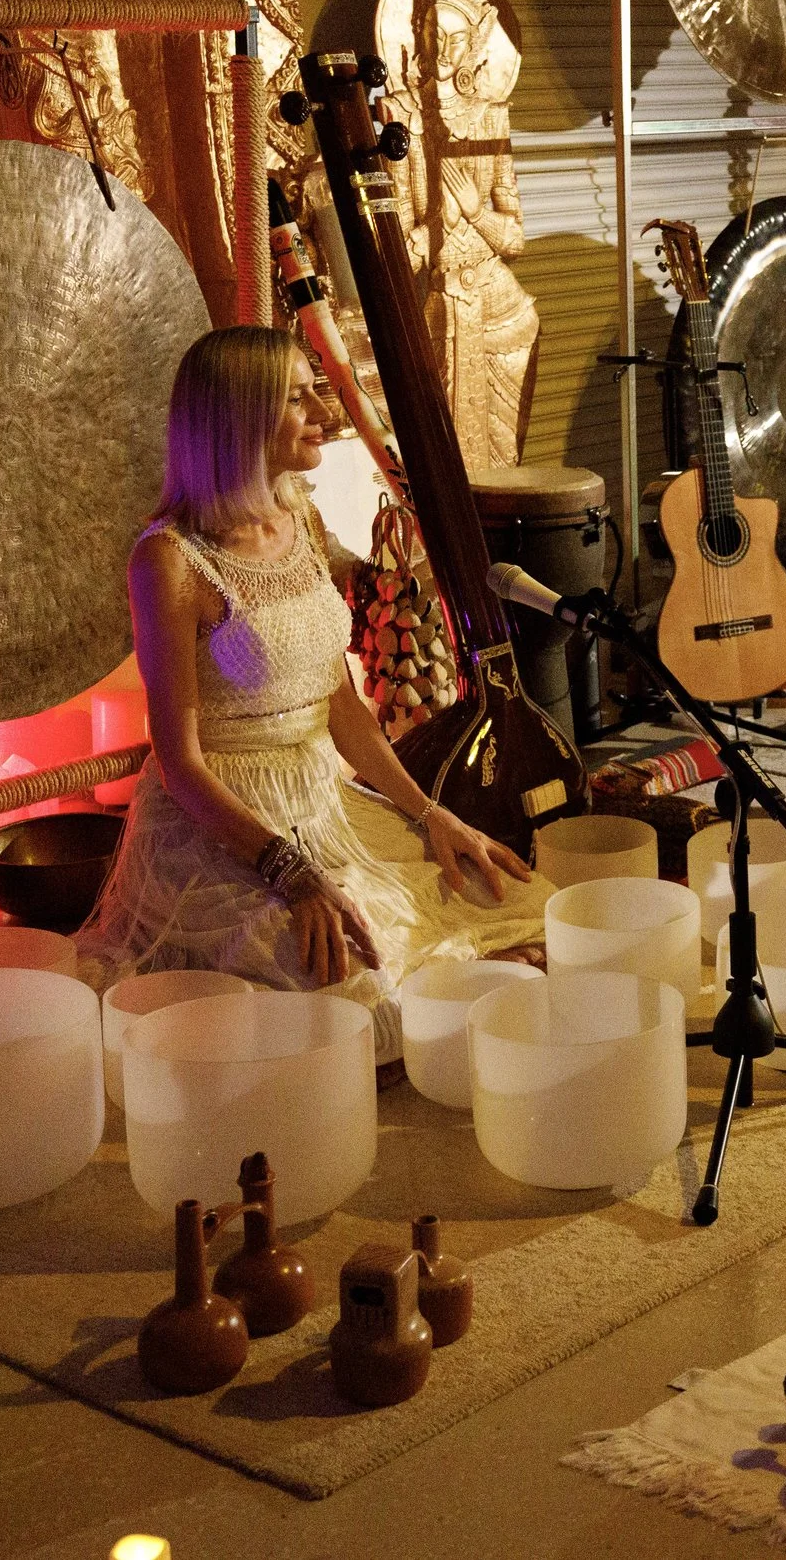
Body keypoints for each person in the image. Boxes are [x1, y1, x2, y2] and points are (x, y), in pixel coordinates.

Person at [77, 325, 546, 1067]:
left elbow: (340, 706)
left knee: (511, 901)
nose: (323, 409)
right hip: (222, 827)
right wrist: (290, 875)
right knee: (354, 1008)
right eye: (298, 398)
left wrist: (430, 815)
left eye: (315, 390)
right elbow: (179, 763)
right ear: (240, 418)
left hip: (320, 799)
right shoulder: (169, 560)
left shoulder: (303, 519)